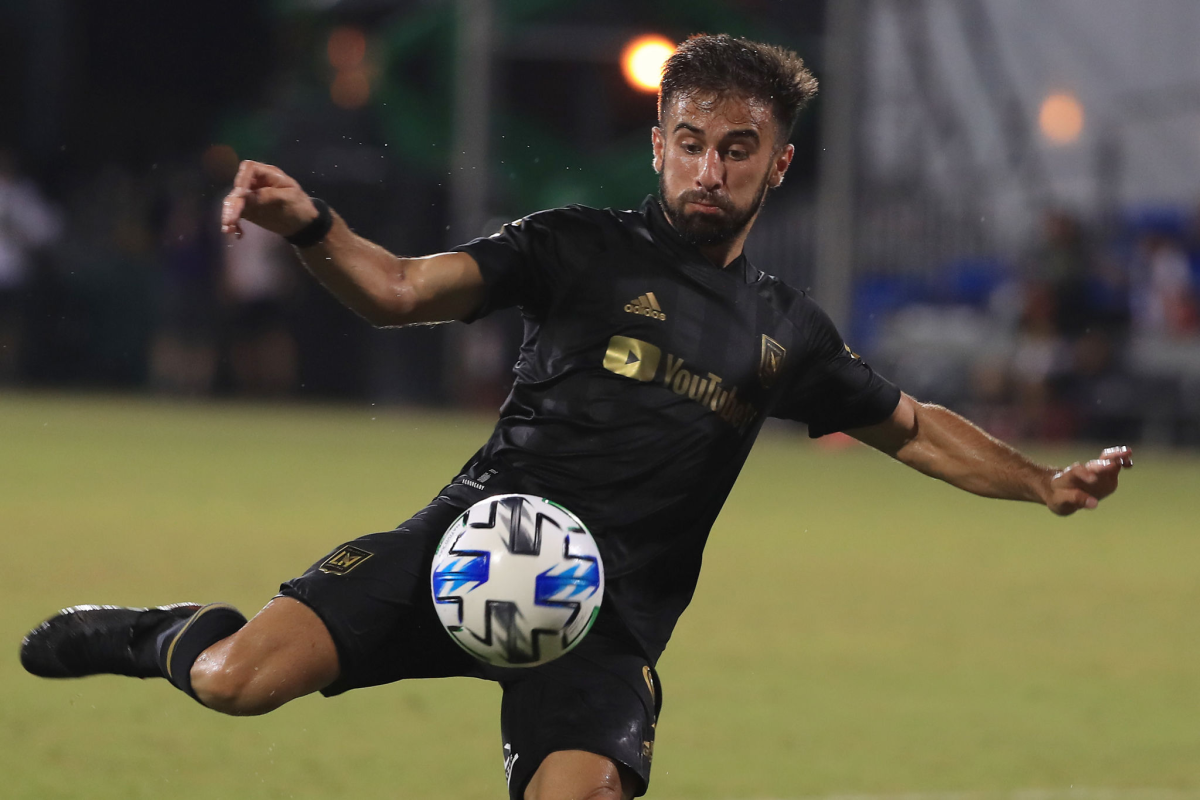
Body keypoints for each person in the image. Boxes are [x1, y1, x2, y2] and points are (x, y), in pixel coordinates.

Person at [20, 35, 1132, 800]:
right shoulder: (574, 246)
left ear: (777, 164)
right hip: (467, 549)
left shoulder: (787, 329)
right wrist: (310, 223)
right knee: (236, 682)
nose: (710, 166)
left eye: (737, 148)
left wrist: (1042, 482)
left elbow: (918, 424)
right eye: (690, 140)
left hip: (607, 622)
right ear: (658, 144)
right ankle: (155, 629)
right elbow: (401, 290)